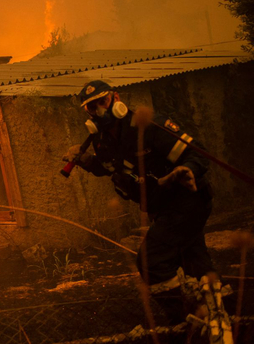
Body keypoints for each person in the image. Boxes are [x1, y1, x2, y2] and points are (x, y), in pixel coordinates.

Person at [63, 80, 215, 324]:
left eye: (102, 101)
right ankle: (217, 315)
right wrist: (88, 161)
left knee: (150, 260)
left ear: (116, 98)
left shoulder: (148, 125)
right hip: (162, 209)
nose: (100, 110)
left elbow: (196, 152)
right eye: (92, 107)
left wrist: (187, 169)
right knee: (195, 262)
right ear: (87, 112)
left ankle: (181, 321)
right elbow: (110, 168)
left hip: (187, 203)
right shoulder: (102, 139)